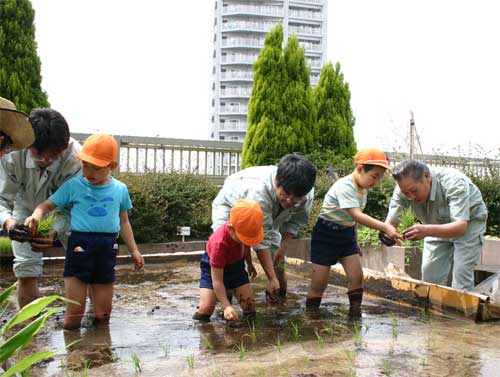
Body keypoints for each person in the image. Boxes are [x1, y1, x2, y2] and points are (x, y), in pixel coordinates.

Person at [24, 134, 145, 329]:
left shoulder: (120, 190)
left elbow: (124, 222)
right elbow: (47, 205)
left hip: (107, 249)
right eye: (86, 165)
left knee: (103, 314)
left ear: (111, 166)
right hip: (79, 247)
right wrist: (36, 215)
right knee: (74, 314)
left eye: (96, 168)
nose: (89, 172)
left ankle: (99, 355)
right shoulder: (73, 186)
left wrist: (134, 250)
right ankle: (73, 356)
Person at [0, 108, 82, 307]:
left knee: (81, 261)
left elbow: (73, 208)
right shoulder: (13, 152)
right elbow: (2, 199)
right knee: (26, 268)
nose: (46, 160)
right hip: (25, 205)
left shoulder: (76, 159)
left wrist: (54, 231)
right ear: (29, 145)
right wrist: (10, 225)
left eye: (54, 155)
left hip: (67, 212)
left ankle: (77, 318)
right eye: (39, 154)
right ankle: (31, 328)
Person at [306, 148, 402, 317]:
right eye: (374, 176)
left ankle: (355, 314)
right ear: (359, 169)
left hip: (347, 235)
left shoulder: (362, 189)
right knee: (319, 282)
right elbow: (357, 214)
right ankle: (312, 316)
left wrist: (355, 239)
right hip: (326, 235)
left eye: (380, 177)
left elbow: (353, 219)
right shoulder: (346, 186)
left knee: (357, 277)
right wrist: (385, 227)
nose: (377, 181)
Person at [211, 154, 316, 302]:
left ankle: (280, 291)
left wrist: (283, 247)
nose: (290, 201)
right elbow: (261, 241)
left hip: (267, 210)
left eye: (296, 198)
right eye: (286, 194)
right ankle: (225, 297)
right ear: (277, 182)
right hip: (230, 203)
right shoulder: (259, 191)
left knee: (276, 252)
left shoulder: (306, 193)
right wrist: (271, 277)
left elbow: (295, 222)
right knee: (229, 249)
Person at [381, 160, 488, 291]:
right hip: (434, 225)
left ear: (427, 176)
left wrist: (426, 230)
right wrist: (387, 234)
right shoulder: (403, 189)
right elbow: (390, 225)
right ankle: (432, 310)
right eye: (406, 193)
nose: (410, 197)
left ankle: (462, 310)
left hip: (469, 223)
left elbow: (460, 227)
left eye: (413, 191)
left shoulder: (454, 182)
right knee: (430, 277)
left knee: (461, 277)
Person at [193, 199, 264, 321]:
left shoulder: (246, 231)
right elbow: (217, 281)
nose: (246, 242)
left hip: (236, 266)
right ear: (231, 228)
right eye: (244, 239)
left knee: (249, 306)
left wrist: (250, 264)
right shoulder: (219, 244)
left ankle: (229, 296)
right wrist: (226, 306)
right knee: (206, 309)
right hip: (213, 269)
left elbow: (246, 247)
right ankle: (202, 323)